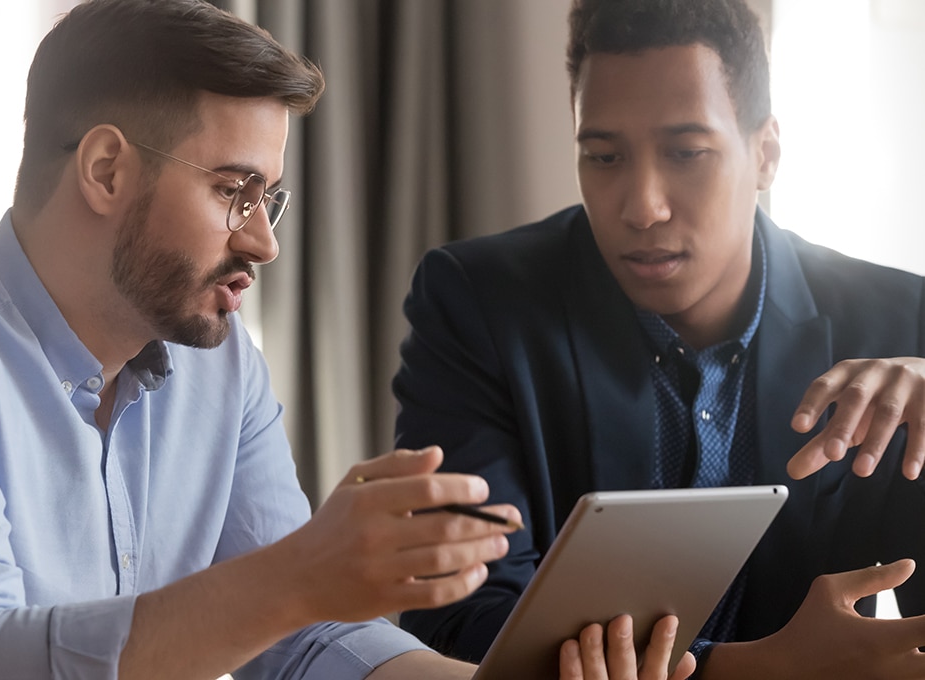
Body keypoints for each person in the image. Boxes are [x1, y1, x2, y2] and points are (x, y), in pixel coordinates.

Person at [0, 2, 543, 678]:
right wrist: (296, 576)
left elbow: (304, 640)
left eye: (267, 199)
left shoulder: (222, 363)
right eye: (234, 192)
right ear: (105, 171)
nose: (263, 243)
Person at [392, 0, 925, 677]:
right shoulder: (479, 304)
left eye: (686, 152)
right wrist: (758, 668)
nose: (642, 206)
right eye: (604, 156)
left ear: (765, 154)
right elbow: (458, 621)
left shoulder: (896, 321)